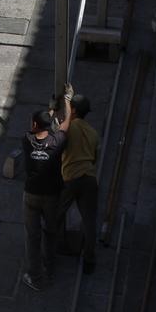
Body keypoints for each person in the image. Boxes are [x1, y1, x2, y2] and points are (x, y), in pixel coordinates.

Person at [19, 108, 64, 290]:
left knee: (32, 235)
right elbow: (65, 127)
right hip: (52, 196)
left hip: (31, 195)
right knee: (51, 231)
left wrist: (48, 114)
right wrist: (66, 104)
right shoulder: (57, 142)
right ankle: (50, 265)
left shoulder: (26, 140)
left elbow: (33, 131)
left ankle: (35, 277)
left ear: (35, 125)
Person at [56, 90, 100, 275]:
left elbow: (57, 141)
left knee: (57, 214)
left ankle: (58, 247)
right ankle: (89, 260)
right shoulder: (93, 133)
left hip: (70, 179)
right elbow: (94, 159)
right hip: (89, 179)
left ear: (73, 110)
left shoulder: (69, 127)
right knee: (89, 222)